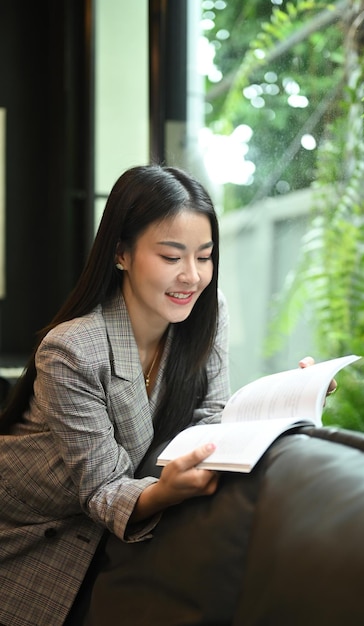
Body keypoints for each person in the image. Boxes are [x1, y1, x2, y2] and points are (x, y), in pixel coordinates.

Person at [0, 165, 230, 626]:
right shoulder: (72, 349)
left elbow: (213, 415)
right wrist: (163, 492)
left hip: (104, 532)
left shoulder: (208, 311)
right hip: (26, 536)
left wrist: (291, 401)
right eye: (171, 257)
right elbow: (102, 488)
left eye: (204, 257)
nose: (192, 276)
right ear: (121, 253)